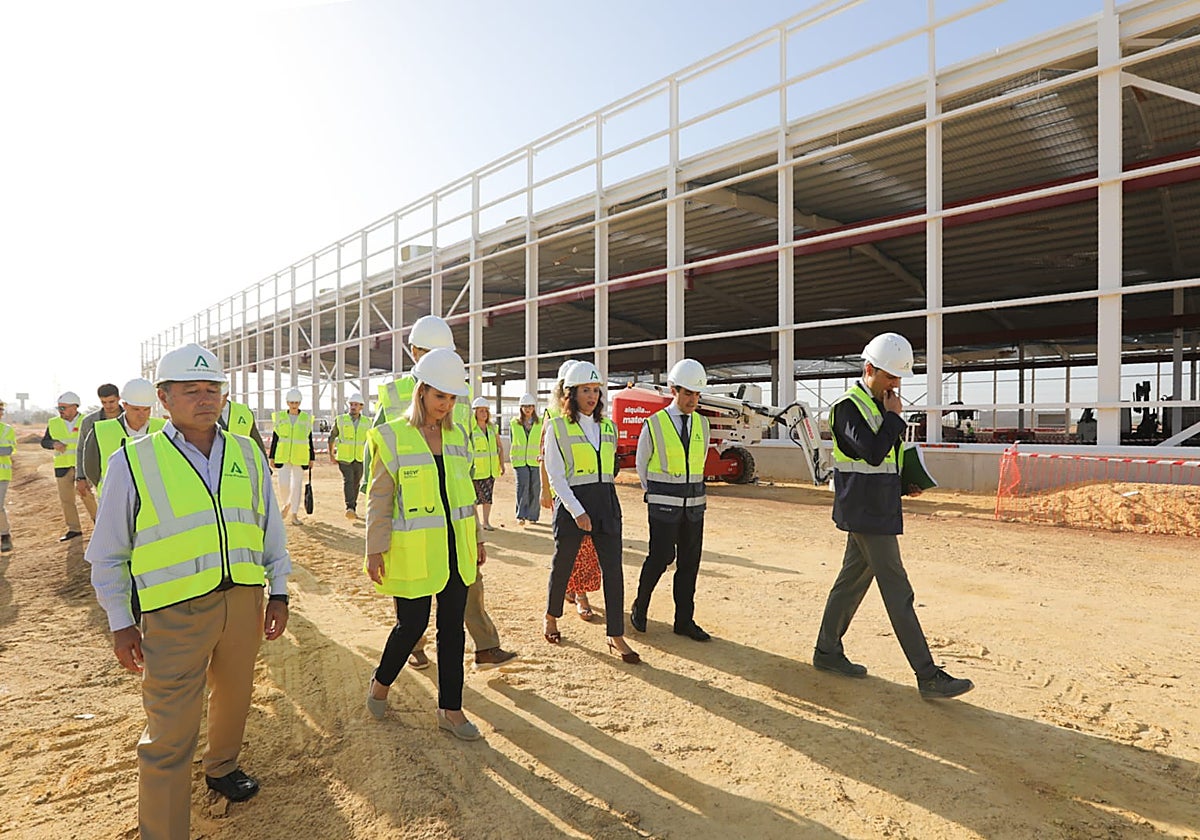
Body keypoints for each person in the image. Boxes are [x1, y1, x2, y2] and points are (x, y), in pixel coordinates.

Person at [85, 342, 291, 839]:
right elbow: (108, 552)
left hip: (242, 602)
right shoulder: (132, 462)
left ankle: (221, 767)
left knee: (235, 696)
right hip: (172, 614)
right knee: (169, 735)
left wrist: (279, 590)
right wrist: (119, 619)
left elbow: (268, 528)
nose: (205, 399)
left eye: (213, 389)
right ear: (164, 398)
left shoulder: (245, 451)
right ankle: (163, 830)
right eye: (191, 390)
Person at [813, 332, 974, 700]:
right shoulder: (847, 408)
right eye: (889, 377)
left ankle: (826, 652)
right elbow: (869, 452)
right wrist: (894, 419)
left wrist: (904, 483)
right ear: (869, 369)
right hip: (866, 514)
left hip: (877, 509)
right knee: (898, 592)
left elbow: (883, 461)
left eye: (898, 378)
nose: (895, 385)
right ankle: (927, 674)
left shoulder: (879, 407)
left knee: (850, 583)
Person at [369, 314, 515, 670]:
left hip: (455, 497)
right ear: (414, 351)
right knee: (414, 583)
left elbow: (461, 444)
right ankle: (414, 645)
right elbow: (378, 451)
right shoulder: (393, 393)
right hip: (412, 502)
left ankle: (484, 645)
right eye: (431, 353)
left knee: (468, 579)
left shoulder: (456, 392)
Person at [364, 348, 485, 740]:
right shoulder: (393, 436)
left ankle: (451, 710)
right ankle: (381, 682)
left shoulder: (456, 435)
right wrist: (374, 548)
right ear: (421, 392)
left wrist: (477, 539)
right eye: (439, 397)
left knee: (453, 630)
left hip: (456, 550)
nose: (445, 406)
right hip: (414, 552)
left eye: (451, 399)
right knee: (411, 624)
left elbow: (464, 495)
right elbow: (380, 499)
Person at [543, 361, 640, 663]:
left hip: (606, 502)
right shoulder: (557, 427)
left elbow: (610, 468)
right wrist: (576, 510)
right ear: (570, 393)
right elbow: (556, 475)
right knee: (563, 564)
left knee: (613, 570)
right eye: (585, 390)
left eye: (596, 390)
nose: (592, 396)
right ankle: (551, 617)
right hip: (573, 504)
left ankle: (615, 635)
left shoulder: (607, 426)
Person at [631, 359, 712, 642]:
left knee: (690, 564)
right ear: (673, 390)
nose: (692, 399)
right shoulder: (653, 424)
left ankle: (684, 621)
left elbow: (699, 463)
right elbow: (642, 466)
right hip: (663, 507)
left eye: (697, 394)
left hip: (694, 508)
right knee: (661, 558)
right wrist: (657, 495)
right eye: (687, 393)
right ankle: (640, 607)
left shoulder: (703, 423)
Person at [540, 360, 600, 620]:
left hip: (588, 492)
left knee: (587, 547)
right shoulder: (552, 417)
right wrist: (545, 490)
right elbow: (545, 458)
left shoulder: (591, 419)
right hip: (562, 492)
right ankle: (577, 593)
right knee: (569, 548)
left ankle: (578, 590)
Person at [81, 378, 166, 497]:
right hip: (113, 497)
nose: (141, 414)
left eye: (146, 409)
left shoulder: (163, 428)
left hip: (155, 497)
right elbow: (91, 468)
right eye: (136, 409)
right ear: (125, 405)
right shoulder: (100, 430)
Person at [41, 390, 96, 540]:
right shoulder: (53, 423)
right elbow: (44, 442)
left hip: (82, 467)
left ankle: (98, 523)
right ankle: (74, 529)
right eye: (59, 408)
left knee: (87, 496)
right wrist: (53, 444)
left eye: (63, 408)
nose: (60, 411)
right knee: (66, 500)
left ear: (74, 407)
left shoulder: (87, 420)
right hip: (62, 467)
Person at [74, 383, 122, 517]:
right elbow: (81, 450)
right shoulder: (89, 422)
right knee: (108, 514)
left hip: (129, 472)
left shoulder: (132, 418)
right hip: (101, 475)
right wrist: (81, 477)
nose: (108, 406)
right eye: (104, 402)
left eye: (112, 401)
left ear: (119, 398)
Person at [269, 388, 314, 525]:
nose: (294, 405)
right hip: (282, 456)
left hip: (300, 457)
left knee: (297, 486)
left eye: (296, 402)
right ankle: (286, 503)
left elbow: (309, 439)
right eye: (292, 402)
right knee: (283, 483)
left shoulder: (306, 419)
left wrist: (311, 458)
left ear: (299, 403)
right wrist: (271, 457)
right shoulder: (280, 417)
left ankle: (294, 514)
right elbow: (275, 438)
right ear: (287, 402)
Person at [330, 392, 369, 519]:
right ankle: (350, 507)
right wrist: (331, 454)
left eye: (356, 405)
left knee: (356, 483)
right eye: (351, 404)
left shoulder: (368, 422)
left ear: (361, 407)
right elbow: (331, 437)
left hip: (359, 457)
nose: (353, 407)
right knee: (349, 480)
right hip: (344, 458)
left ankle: (353, 508)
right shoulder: (340, 420)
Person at [469, 396, 505, 531]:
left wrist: (502, 464)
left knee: (487, 497)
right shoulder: (471, 430)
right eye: (480, 411)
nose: (484, 413)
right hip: (475, 471)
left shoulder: (492, 428)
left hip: (490, 470)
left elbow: (499, 447)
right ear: (475, 413)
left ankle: (486, 522)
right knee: (474, 499)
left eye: (485, 411)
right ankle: (476, 523)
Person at [509, 394, 542, 525]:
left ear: (534, 408)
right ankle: (521, 515)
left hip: (535, 460)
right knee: (523, 486)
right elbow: (513, 441)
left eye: (530, 406)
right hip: (520, 461)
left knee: (535, 488)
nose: (527, 409)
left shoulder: (540, 423)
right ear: (521, 408)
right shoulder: (514, 423)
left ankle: (533, 516)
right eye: (525, 406)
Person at [220, 385, 268, 457]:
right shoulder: (198, 413)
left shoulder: (243, 412)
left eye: (219, 398)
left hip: (241, 463)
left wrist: (265, 466)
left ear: (226, 394)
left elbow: (257, 443)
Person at [0, 398, 14, 553]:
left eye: (1, 410)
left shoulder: (6, 430)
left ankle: (4, 535)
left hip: (1, 474)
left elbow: (8, 450)